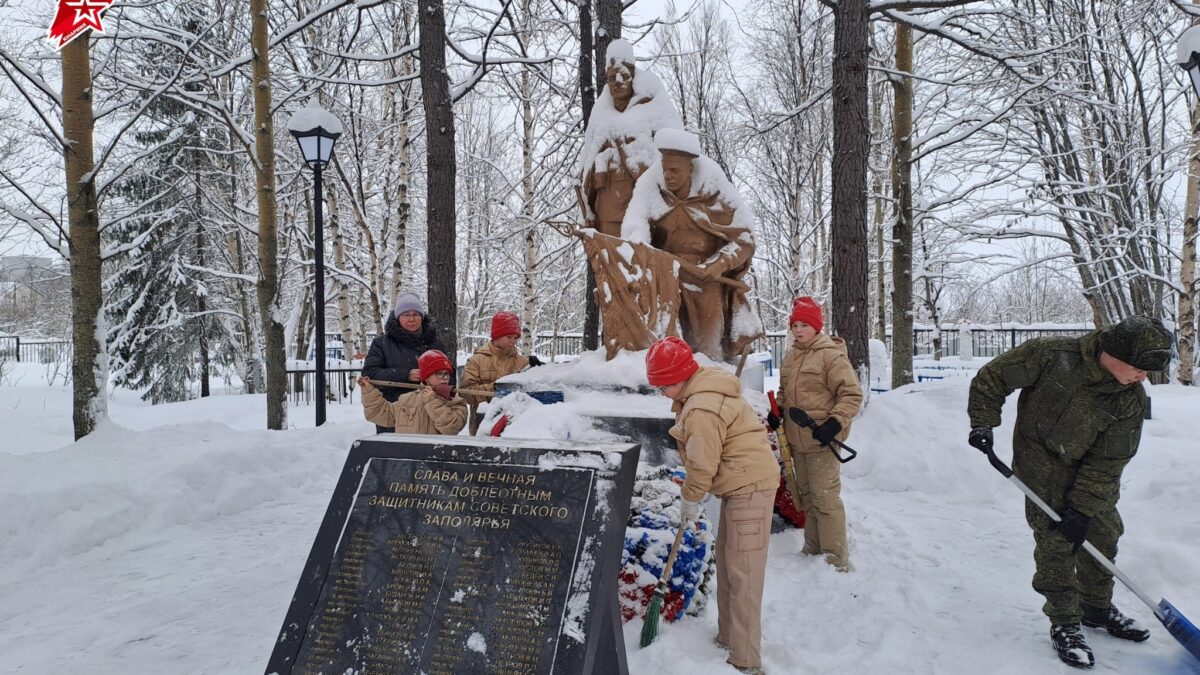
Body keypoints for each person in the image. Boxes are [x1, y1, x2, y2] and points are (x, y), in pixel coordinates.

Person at [966, 316, 1172, 669]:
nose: (1144, 377)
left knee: (1103, 533)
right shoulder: (1050, 355)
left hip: (1090, 468)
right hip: (1040, 458)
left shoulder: (1130, 400)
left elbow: (1108, 462)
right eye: (1139, 368)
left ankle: (1095, 607)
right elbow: (992, 378)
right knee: (1057, 539)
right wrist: (983, 422)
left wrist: (1083, 509)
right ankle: (1065, 622)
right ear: (1113, 353)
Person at [646, 336, 778, 674]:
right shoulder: (698, 394)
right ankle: (728, 637)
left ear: (683, 375)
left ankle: (746, 660)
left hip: (749, 486)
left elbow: (703, 465)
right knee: (730, 561)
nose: (663, 393)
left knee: (744, 571)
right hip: (739, 485)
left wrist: (690, 498)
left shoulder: (703, 405)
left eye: (666, 385)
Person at [622, 129, 760, 361]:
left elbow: (744, 238)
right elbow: (634, 227)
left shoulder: (715, 192)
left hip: (705, 278)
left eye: (675, 170)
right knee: (664, 340)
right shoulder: (651, 187)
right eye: (665, 170)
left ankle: (710, 380)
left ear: (690, 169)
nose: (668, 176)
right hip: (665, 276)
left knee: (707, 343)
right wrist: (645, 256)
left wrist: (719, 264)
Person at [774, 297, 863, 573]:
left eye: (804, 325)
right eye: (795, 325)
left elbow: (851, 394)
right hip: (796, 440)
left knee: (825, 499)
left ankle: (836, 559)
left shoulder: (831, 355)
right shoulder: (790, 357)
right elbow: (784, 393)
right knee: (808, 498)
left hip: (822, 440)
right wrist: (777, 409)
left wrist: (834, 424)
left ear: (816, 326)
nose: (798, 330)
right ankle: (812, 548)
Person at [580, 39, 683, 237]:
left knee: (639, 261)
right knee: (611, 264)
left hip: (641, 206)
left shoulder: (653, 106)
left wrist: (631, 145)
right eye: (612, 77)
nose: (618, 81)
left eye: (624, 76)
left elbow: (674, 154)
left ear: (633, 77)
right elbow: (587, 161)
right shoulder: (601, 114)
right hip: (607, 206)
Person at [362, 292, 446, 433]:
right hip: (393, 413)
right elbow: (369, 374)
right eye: (406, 315)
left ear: (422, 317)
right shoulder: (381, 344)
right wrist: (404, 374)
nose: (411, 319)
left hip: (429, 415)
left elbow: (449, 374)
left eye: (416, 314)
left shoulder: (435, 344)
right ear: (398, 317)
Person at [461, 312, 543, 430]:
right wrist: (496, 388)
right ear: (496, 336)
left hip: (515, 426)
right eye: (509, 337)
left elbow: (533, 392)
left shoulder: (522, 362)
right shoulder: (476, 361)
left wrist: (539, 371)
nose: (513, 341)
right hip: (483, 425)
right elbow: (465, 393)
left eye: (515, 338)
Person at [357, 350, 467, 435]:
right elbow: (378, 413)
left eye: (446, 374)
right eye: (439, 373)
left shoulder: (455, 401)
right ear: (426, 377)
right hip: (407, 459)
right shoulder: (406, 399)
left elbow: (452, 428)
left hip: (436, 461)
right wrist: (368, 391)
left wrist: (433, 402)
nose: (444, 378)